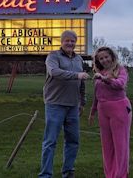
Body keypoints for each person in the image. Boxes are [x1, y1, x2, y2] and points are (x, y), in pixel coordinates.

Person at [39, 30, 89, 178]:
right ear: (62, 41)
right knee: (50, 141)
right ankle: (45, 174)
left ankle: (68, 171)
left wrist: (82, 102)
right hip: (55, 104)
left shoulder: (79, 59)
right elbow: (55, 72)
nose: (70, 43)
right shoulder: (53, 56)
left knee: (73, 140)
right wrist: (77, 75)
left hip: (73, 106)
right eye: (67, 40)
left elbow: (81, 82)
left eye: (73, 41)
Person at [88, 46, 132, 178]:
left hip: (120, 109)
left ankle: (121, 174)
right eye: (101, 58)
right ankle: (110, 174)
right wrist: (92, 112)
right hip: (103, 111)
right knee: (106, 145)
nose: (104, 60)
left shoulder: (120, 70)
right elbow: (97, 95)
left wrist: (105, 79)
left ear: (112, 56)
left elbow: (120, 84)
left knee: (120, 144)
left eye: (106, 57)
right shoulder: (99, 73)